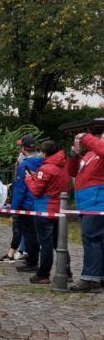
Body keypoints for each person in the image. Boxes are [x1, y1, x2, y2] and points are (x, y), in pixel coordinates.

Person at [24, 139, 71, 284]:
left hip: (45, 209)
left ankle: (43, 274)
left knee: (46, 243)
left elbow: (37, 191)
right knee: (59, 243)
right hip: (60, 209)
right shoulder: (65, 167)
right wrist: (36, 178)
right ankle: (67, 272)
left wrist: (29, 179)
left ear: (44, 152)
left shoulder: (46, 169)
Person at [67, 120, 104, 292]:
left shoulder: (99, 149)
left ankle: (90, 278)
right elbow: (72, 172)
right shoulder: (89, 155)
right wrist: (75, 153)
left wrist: (87, 137)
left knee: (91, 240)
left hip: (97, 203)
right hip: (87, 203)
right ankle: (98, 276)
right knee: (96, 241)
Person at [10, 136, 43, 275]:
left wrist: (14, 208)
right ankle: (34, 260)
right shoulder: (43, 162)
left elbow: (20, 189)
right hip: (39, 203)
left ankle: (32, 262)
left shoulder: (24, 165)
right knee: (37, 234)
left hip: (26, 205)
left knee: (29, 235)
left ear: (23, 149)